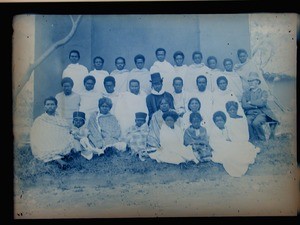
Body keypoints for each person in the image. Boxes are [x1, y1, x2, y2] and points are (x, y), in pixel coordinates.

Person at [30, 96, 76, 169]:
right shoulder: (40, 119)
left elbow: (66, 129)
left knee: (66, 137)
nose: (50, 106)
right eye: (48, 105)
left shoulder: (60, 119)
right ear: (44, 106)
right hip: (46, 139)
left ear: (56, 106)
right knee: (48, 142)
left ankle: (63, 156)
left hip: (58, 139)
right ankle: (60, 161)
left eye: (52, 104)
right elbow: (36, 134)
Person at [210, 111, 258, 177]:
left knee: (244, 146)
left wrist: (232, 141)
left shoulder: (227, 128)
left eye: (221, 120)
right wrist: (227, 144)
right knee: (231, 154)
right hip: (221, 147)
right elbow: (215, 142)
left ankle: (242, 159)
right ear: (214, 122)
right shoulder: (215, 130)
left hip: (229, 144)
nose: (219, 122)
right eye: (217, 121)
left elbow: (232, 136)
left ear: (224, 120)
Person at [241, 72, 279, 142]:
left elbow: (262, 103)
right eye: (249, 81)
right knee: (247, 122)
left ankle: (262, 139)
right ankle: (253, 139)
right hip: (250, 113)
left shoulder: (263, 92)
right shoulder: (245, 93)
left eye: (253, 80)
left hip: (261, 113)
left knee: (256, 123)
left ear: (258, 81)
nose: (250, 83)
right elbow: (244, 105)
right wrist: (255, 106)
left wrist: (250, 102)